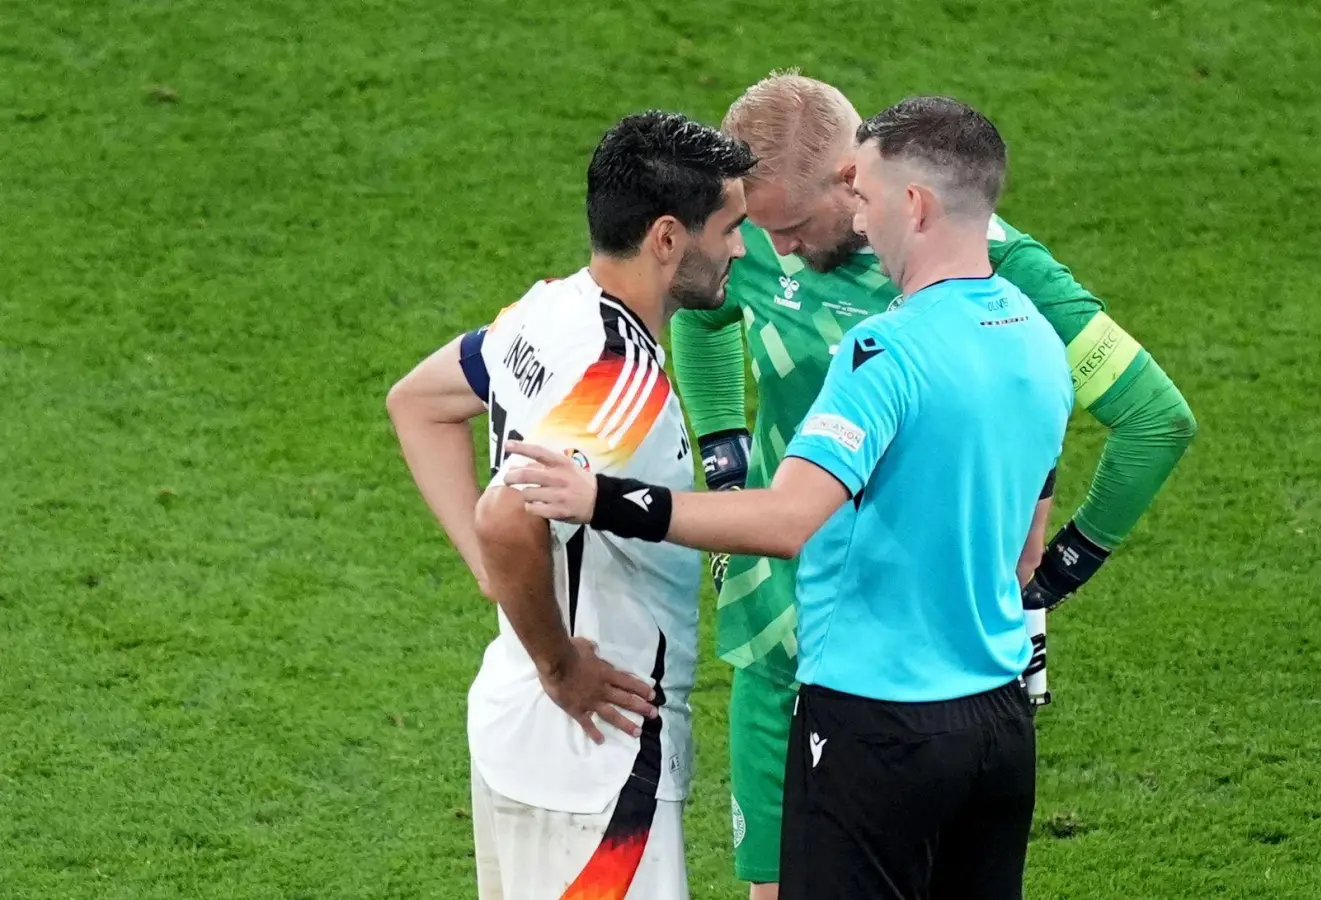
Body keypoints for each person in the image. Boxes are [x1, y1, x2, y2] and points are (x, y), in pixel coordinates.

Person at [504, 96, 1068, 900]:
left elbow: (787, 518)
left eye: (863, 197)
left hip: (875, 725)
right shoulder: (1033, 335)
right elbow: (1026, 541)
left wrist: (604, 498)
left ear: (914, 205)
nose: (859, 223)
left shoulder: (884, 351)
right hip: (997, 723)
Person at [668, 71, 1199, 898]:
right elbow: (700, 310)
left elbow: (1153, 417)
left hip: (904, 666)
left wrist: (1056, 573)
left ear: (859, 181)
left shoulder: (993, 263)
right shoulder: (749, 240)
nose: (770, 251)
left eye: (793, 226)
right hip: (776, 630)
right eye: (751, 228)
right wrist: (728, 454)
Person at [385, 110, 755, 900]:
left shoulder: (546, 311)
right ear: (666, 238)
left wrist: (498, 583)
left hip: (518, 732)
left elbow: (417, 402)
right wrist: (559, 666)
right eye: (728, 228)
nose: (740, 248)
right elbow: (503, 516)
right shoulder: (619, 386)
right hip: (596, 761)